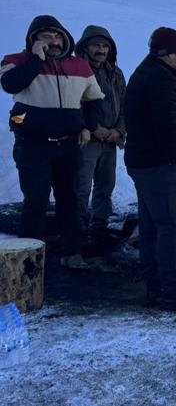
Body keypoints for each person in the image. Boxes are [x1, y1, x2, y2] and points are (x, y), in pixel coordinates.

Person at [2, 15, 104, 270]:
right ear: (33, 39)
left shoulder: (79, 65)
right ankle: (28, 262)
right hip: (33, 145)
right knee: (35, 201)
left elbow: (94, 99)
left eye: (57, 35)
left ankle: (72, 253)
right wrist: (36, 59)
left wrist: (87, 126)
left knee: (70, 200)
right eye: (46, 36)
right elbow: (10, 84)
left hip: (69, 144)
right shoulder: (16, 61)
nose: (54, 41)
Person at [125, 27, 176, 311]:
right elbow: (168, 125)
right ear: (169, 54)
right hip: (157, 164)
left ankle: (155, 288)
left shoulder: (148, 72)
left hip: (144, 161)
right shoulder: (160, 78)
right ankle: (174, 292)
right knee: (170, 226)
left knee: (151, 226)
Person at [74, 25, 126, 235]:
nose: (101, 50)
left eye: (105, 46)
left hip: (110, 139)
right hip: (86, 139)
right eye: (96, 45)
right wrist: (93, 128)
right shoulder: (76, 70)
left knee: (106, 185)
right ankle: (77, 230)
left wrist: (119, 131)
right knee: (81, 186)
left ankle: (99, 225)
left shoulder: (115, 73)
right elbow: (72, 105)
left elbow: (125, 104)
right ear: (85, 47)